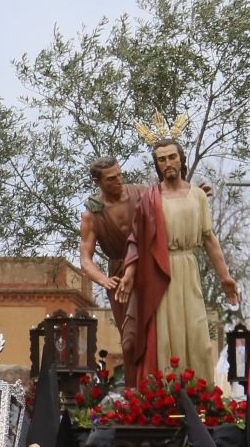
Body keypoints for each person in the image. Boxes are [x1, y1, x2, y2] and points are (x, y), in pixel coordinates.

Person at [128, 136, 241, 387]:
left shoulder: (197, 196)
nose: (168, 163)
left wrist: (225, 277)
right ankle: (165, 395)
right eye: (161, 159)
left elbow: (209, 238)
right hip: (160, 272)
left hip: (188, 269)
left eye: (172, 157)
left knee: (198, 335)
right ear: (156, 164)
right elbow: (136, 239)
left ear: (181, 159)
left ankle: (199, 394)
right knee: (167, 337)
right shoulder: (149, 199)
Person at [78, 157, 139, 363]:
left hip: (146, 267)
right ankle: (135, 387)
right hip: (118, 274)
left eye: (120, 175)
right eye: (112, 179)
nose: (118, 181)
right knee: (129, 338)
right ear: (98, 182)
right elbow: (86, 258)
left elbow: (170, 194)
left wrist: (195, 193)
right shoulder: (92, 214)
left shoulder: (141, 193)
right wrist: (103, 279)